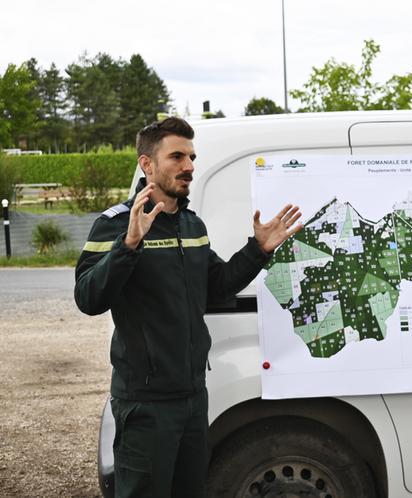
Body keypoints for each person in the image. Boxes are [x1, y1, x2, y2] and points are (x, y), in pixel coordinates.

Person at [74, 117, 301, 498]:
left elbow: (217, 287)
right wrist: (127, 247)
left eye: (192, 157)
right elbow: (88, 298)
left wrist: (258, 249)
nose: (189, 167)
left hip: (194, 397)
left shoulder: (191, 225)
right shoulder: (114, 226)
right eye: (177, 156)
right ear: (147, 164)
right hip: (145, 404)